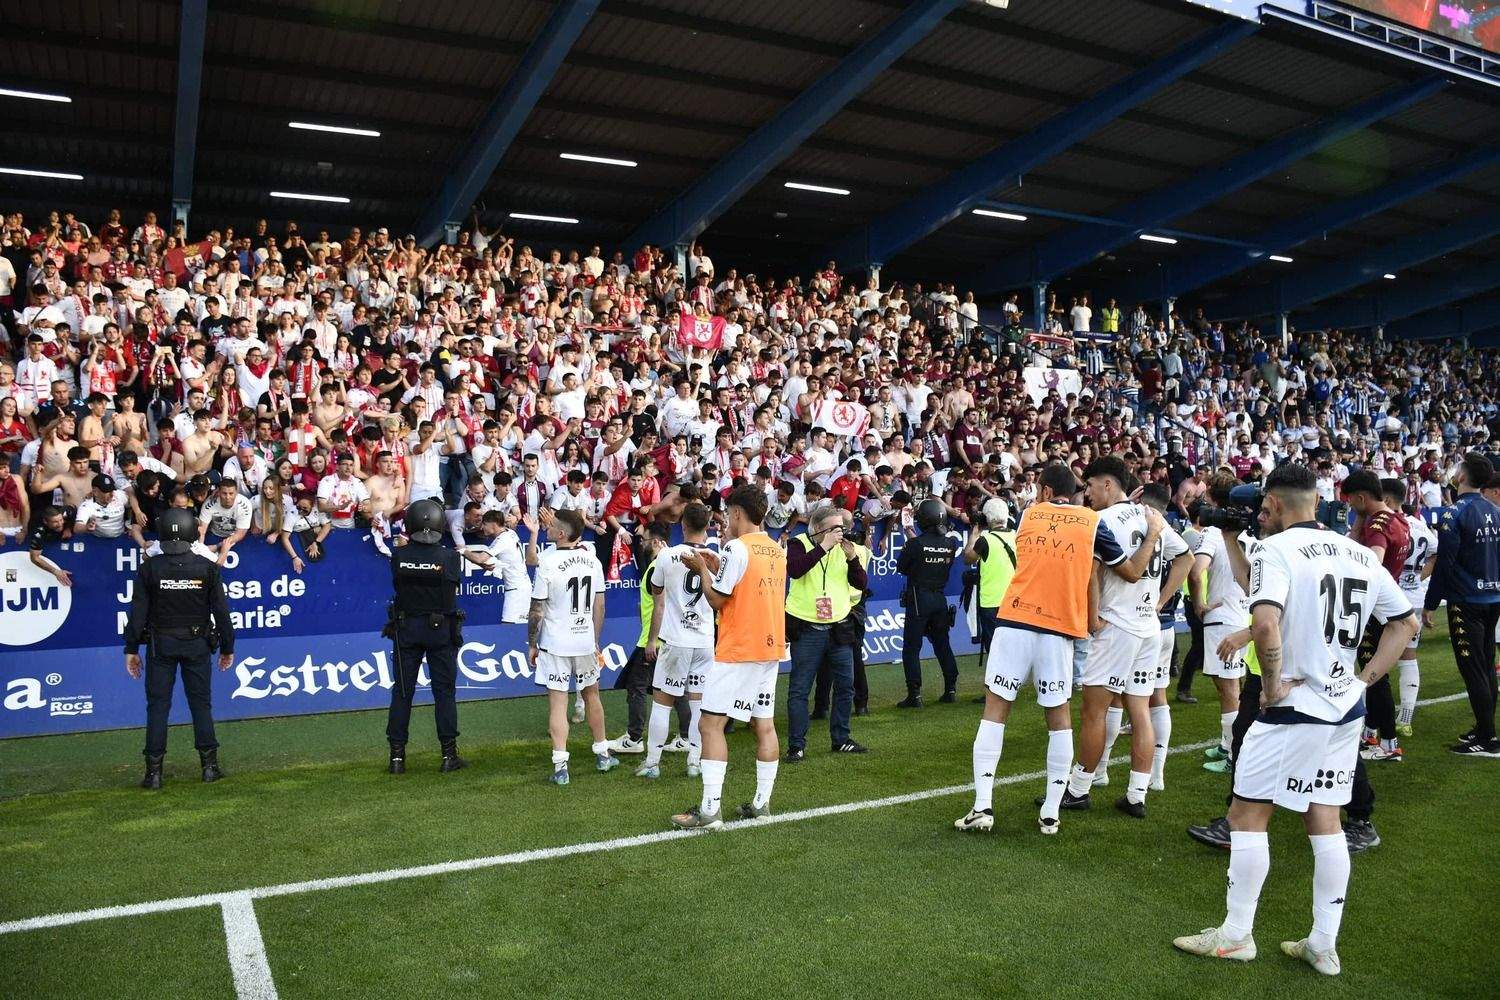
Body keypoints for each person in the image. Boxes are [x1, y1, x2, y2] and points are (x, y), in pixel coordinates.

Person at [1174, 462, 1417, 976]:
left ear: (1278, 504)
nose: (1261, 516)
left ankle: (1237, 934)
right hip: (1343, 705)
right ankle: (1323, 944)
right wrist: (1364, 680)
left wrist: (1273, 682)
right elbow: (1405, 622)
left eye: (1264, 508)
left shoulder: (1278, 550)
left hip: (1294, 708)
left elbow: (1265, 622)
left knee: (1246, 815)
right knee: (1324, 819)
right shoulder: (1356, 551)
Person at [953, 464, 1097, 835]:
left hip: (1015, 621)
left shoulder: (1030, 516)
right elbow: (1118, 567)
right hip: (1059, 629)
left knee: (995, 709)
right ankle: (1051, 810)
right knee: (1058, 715)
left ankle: (982, 805)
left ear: (1046, 491)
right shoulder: (1092, 522)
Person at [671, 483, 786, 829]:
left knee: (710, 723)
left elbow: (717, 599)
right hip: (771, 647)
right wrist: (717, 564)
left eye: (728, 514)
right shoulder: (776, 549)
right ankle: (761, 804)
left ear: (737, 513)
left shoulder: (737, 547)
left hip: (739, 648)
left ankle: (709, 810)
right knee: (763, 725)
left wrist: (702, 570)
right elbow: (749, 585)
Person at [1066, 457, 1174, 817]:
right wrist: (1160, 601)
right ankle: (1136, 795)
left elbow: (1092, 574)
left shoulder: (1105, 520)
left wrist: (1093, 617)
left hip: (1118, 626)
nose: (1088, 493)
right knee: (1139, 710)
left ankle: (1079, 789)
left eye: (1091, 486)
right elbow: (1186, 557)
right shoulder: (1150, 515)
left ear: (1108, 484)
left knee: (1094, 710)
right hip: (1148, 627)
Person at [122, 507, 237, 789]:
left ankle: (153, 774)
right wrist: (227, 647)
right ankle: (209, 768)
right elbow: (222, 613)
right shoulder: (207, 567)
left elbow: (137, 613)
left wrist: (131, 649)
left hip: (161, 645)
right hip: (197, 644)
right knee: (201, 705)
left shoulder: (150, 568)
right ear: (191, 531)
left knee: (158, 707)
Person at [528, 507, 618, 785]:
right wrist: (595, 640)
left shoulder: (548, 562)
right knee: (593, 696)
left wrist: (532, 643)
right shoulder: (592, 560)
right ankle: (603, 754)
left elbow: (537, 610)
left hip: (556, 644)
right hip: (584, 641)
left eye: (551, 525)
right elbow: (600, 605)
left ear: (562, 533)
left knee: (558, 702)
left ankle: (560, 766)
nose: (547, 527)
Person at [384, 498, 467, 774]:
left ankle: (397, 758)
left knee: (402, 693)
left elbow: (397, 584)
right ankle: (448, 755)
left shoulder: (399, 557)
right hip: (440, 630)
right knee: (444, 692)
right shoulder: (449, 557)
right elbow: (453, 588)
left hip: (407, 629)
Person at [1426, 453, 1500, 756]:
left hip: (1465, 601)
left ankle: (1488, 739)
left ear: (1463, 477)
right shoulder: (1495, 511)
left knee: (1473, 669)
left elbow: (1445, 563)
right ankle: (1483, 730)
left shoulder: (1452, 513)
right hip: (1493, 598)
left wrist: (1430, 603)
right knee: (1485, 665)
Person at [784, 505, 869, 761]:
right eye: (834, 528)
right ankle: (796, 745)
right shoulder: (799, 543)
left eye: (842, 528)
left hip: (839, 626)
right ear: (819, 529)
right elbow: (796, 570)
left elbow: (861, 584)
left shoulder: (847, 549)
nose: (840, 533)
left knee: (845, 686)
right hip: (807, 627)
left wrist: (853, 559)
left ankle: (841, 739)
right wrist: (823, 547)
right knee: (799, 690)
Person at [638, 502, 716, 778]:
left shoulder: (667, 556)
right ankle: (694, 762)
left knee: (662, 702)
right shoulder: (715, 558)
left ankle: (652, 764)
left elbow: (656, 593)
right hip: (705, 641)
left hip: (675, 639)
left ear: (682, 525)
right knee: (698, 704)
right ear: (707, 527)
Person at [1341, 469, 1410, 763]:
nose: (1349, 507)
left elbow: (1373, 562)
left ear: (1361, 497)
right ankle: (1373, 733)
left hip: (1374, 609)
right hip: (1391, 604)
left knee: (1374, 675)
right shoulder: (1398, 518)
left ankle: (1388, 741)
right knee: (1377, 672)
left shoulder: (1377, 524)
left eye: (1350, 501)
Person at [1191, 473, 1252, 772]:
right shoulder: (1249, 532)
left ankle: (1234, 755)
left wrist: (1198, 603)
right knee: (1230, 686)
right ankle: (1228, 745)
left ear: (1214, 498)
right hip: (1244, 616)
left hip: (1223, 618)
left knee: (1229, 690)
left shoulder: (1214, 533)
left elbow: (1195, 571)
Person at [896, 497, 960, 707]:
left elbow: (903, 567)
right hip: (940, 600)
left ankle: (914, 695)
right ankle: (951, 689)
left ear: (923, 519)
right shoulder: (951, 543)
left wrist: (909, 536)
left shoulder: (915, 544)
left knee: (911, 648)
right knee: (942, 645)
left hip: (918, 600)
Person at [1390, 479, 1436, 735]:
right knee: (1409, 658)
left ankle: (1373, 724)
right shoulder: (1420, 525)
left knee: (1375, 659)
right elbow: (1435, 552)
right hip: (1413, 600)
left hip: (1389, 601)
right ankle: (1405, 718)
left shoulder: (1386, 525)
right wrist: (1418, 577)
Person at [961, 497, 1016, 664]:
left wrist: (975, 532)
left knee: (994, 647)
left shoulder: (985, 540)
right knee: (1010, 646)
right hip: (1013, 600)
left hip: (991, 602)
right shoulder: (1016, 536)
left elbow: (968, 558)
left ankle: (994, 686)